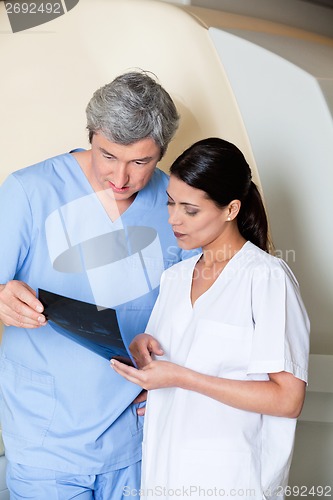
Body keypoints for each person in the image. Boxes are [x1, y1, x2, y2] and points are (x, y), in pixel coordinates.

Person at [0, 71, 194, 499]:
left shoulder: (176, 203)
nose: (120, 177)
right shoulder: (28, 192)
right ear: (91, 135)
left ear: (162, 153)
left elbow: (198, 307)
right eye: (107, 155)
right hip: (46, 439)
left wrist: (175, 379)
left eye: (141, 162)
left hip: (138, 436)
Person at [111, 137, 310, 500]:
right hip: (165, 475)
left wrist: (184, 378)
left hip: (233, 482)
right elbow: (174, 360)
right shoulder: (174, 278)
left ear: (231, 209)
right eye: (170, 203)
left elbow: (287, 399)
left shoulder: (265, 278)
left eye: (190, 209)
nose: (173, 219)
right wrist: (145, 348)